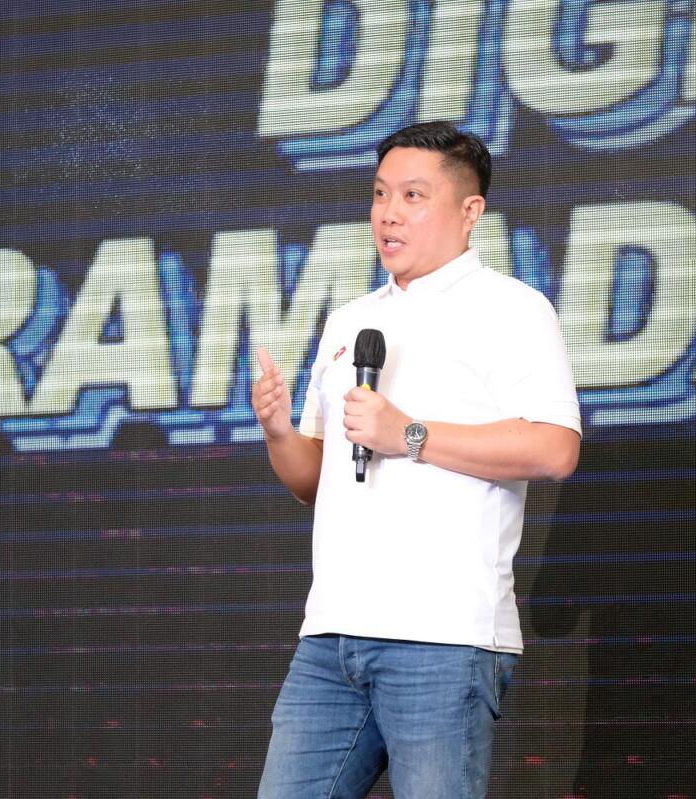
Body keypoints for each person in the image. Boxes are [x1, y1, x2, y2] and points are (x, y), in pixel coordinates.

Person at [252, 121, 582, 798]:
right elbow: (315, 482)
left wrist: (409, 433)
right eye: (380, 194)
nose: (389, 213)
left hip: (443, 639)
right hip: (332, 638)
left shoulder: (514, 310)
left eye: (412, 195)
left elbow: (555, 449)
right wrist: (280, 432)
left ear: (470, 210)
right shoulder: (350, 320)